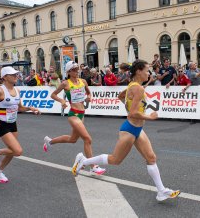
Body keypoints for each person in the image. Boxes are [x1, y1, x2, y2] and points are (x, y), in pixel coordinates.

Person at [71, 60, 180, 202]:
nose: (149, 73)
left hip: (138, 129)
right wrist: (150, 117)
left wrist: (129, 106)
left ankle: (161, 191)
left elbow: (121, 97)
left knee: (151, 158)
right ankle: (83, 161)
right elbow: (132, 114)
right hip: (129, 129)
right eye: (147, 70)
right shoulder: (138, 88)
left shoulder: (133, 86)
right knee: (115, 160)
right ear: (139, 71)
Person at [0, 66, 41, 183]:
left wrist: (30, 108)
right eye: (13, 75)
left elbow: (20, 108)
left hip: (13, 123)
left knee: (11, 151)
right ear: (5, 77)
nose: (16, 76)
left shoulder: (17, 90)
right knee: (17, 151)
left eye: (16, 74)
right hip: (1, 124)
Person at [45, 61, 106, 175]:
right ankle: (92, 166)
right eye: (73, 69)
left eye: (77, 69)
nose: (76, 71)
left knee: (72, 139)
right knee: (87, 139)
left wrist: (89, 97)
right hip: (73, 114)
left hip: (81, 114)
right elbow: (53, 95)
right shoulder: (65, 83)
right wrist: (62, 100)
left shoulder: (83, 81)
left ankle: (50, 142)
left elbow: (89, 93)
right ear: (68, 72)